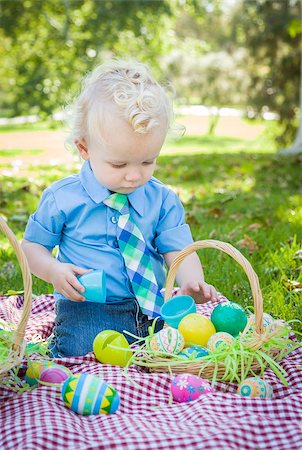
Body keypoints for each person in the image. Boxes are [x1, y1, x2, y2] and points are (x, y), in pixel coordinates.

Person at [21, 59, 217, 357]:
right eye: (119, 164)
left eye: (148, 161)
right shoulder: (63, 198)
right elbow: (31, 246)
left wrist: (190, 281)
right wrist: (53, 269)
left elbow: (179, 249)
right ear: (84, 148)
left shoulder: (161, 199)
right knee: (84, 351)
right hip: (89, 306)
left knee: (184, 348)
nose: (135, 175)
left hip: (153, 305)